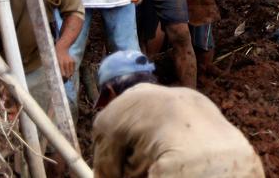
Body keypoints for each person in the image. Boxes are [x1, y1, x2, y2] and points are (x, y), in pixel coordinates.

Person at [92, 51, 265, 177]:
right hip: (247, 164)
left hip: (185, 169)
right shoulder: (191, 95)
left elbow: (107, 174)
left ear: (109, 91)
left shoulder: (113, 112)